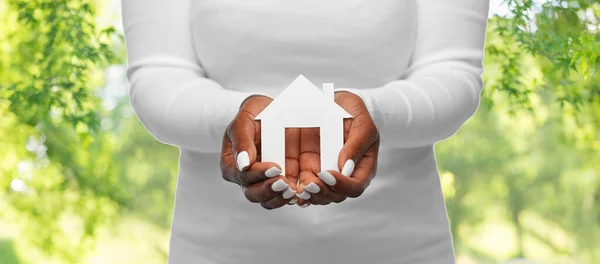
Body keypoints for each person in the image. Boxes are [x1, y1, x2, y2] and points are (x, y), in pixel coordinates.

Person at [120, 0, 490, 263]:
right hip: (215, 249)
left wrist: (375, 113)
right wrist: (231, 119)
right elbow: (158, 75)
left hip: (403, 246)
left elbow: (452, 72)